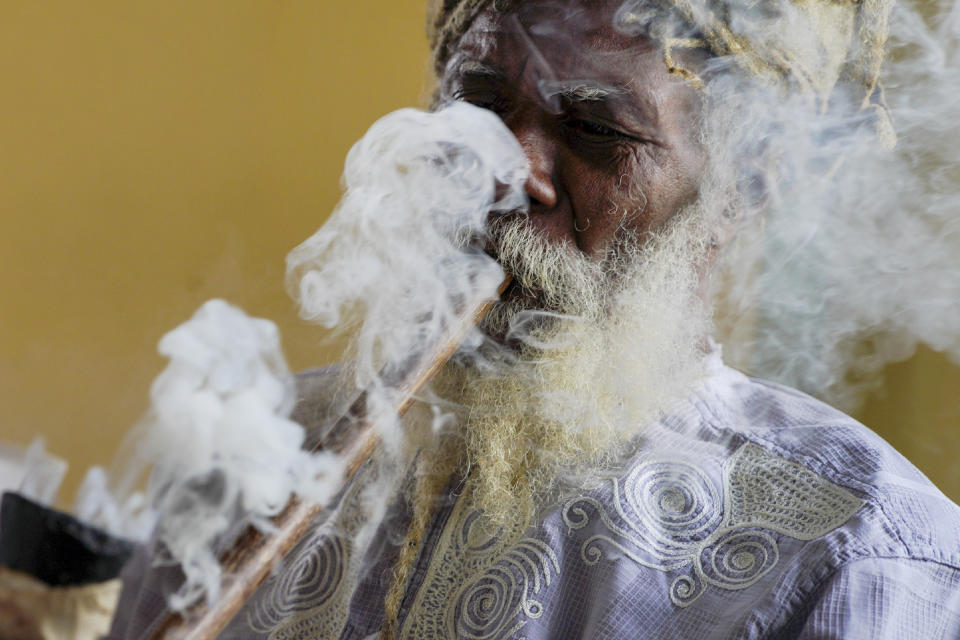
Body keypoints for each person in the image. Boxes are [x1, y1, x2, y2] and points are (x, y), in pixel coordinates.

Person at [107, 0, 960, 638]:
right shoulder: (248, 461)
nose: (507, 172)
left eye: (593, 128)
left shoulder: (850, 553)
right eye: (476, 108)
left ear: (745, 180)